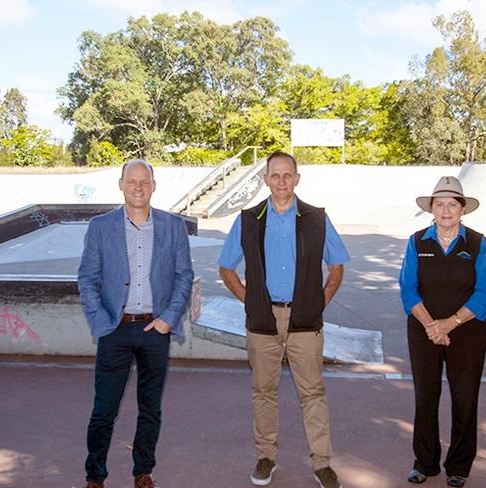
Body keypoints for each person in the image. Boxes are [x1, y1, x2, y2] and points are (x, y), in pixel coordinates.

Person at [218, 151, 350, 488]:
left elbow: (336, 267)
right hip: (263, 321)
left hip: (305, 320)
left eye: (287, 175)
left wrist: (317, 303)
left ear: (297, 179)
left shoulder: (316, 218)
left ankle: (322, 464)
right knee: (264, 391)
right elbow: (226, 267)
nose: (281, 182)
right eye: (274, 176)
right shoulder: (248, 219)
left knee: (313, 393)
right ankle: (266, 458)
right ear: (265, 180)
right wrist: (254, 301)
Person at [78, 160, 194, 488]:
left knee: (150, 409)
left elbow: (184, 275)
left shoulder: (173, 226)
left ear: (154, 186)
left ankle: (143, 471)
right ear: (121, 184)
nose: (138, 187)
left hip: (154, 330)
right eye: (132, 181)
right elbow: (87, 278)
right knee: (104, 410)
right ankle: (94, 476)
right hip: (115, 330)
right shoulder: (101, 226)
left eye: (145, 182)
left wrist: (168, 319)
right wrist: (102, 322)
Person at [399, 176, 486, 488]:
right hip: (423, 330)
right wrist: (431, 326)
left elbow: (483, 293)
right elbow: (407, 289)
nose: (445, 210)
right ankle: (424, 463)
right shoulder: (417, 241)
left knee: (464, 399)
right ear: (431, 209)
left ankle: (459, 466)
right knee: (426, 397)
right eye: (439, 204)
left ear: (462, 209)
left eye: (452, 204)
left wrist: (449, 324)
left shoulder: (478, 243)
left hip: (467, 333)